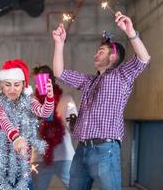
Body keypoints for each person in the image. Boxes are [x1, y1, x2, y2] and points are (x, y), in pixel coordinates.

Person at [52, 11, 151, 190]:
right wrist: (59, 44)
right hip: (81, 149)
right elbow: (60, 73)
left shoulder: (122, 76)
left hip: (105, 150)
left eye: (101, 51)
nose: (95, 55)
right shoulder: (88, 81)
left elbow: (143, 59)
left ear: (113, 56)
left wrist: (131, 32)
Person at [0, 59, 55, 190]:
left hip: (23, 165)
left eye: (16, 85)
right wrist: (16, 137)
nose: (12, 89)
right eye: (7, 84)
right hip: (0, 165)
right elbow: (2, 120)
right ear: (1, 84)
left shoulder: (29, 101)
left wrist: (49, 97)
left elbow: (44, 113)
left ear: (23, 85)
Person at [31, 65, 78, 190]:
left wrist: (74, 125)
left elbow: (73, 127)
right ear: (37, 80)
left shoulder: (66, 99)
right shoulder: (31, 101)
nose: (45, 80)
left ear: (54, 79)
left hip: (65, 155)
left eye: (49, 76)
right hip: (39, 157)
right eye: (41, 77)